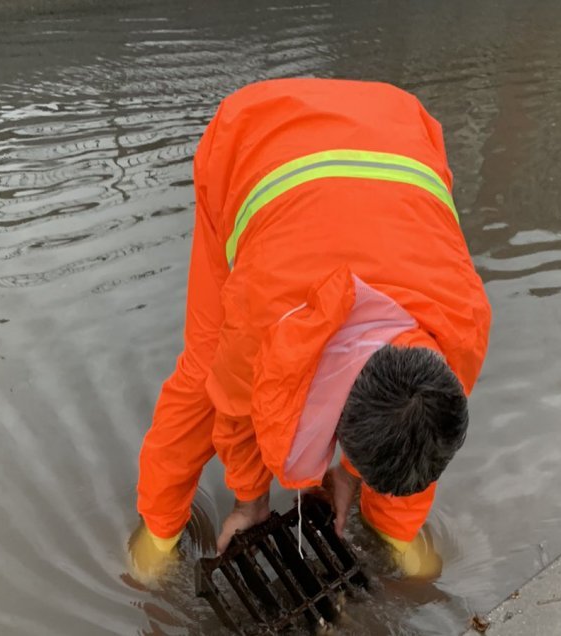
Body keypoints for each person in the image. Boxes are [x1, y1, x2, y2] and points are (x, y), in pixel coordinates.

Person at [129, 78, 491, 581]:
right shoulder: (265, 312)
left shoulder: (464, 319)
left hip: (397, 125)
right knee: (204, 370)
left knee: (411, 423)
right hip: (250, 138)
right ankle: (159, 530)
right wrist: (250, 503)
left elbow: (421, 421)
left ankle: (397, 531)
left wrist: (346, 476)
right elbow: (234, 409)